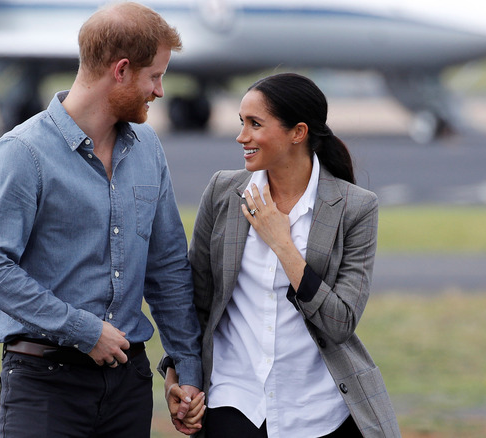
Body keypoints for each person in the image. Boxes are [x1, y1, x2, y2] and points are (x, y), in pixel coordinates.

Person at [0, 2, 203, 437]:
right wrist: (84, 329)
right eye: (155, 76)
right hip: (45, 384)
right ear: (121, 70)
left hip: (129, 384)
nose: (160, 91)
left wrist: (185, 367)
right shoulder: (23, 152)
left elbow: (167, 267)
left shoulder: (148, 147)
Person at [161, 73, 402, 437]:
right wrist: (179, 374)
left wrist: (283, 244)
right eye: (241, 123)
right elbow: (197, 301)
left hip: (318, 412)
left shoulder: (356, 208)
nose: (242, 136)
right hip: (235, 400)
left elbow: (340, 323)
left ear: (298, 132)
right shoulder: (222, 192)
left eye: (255, 124)